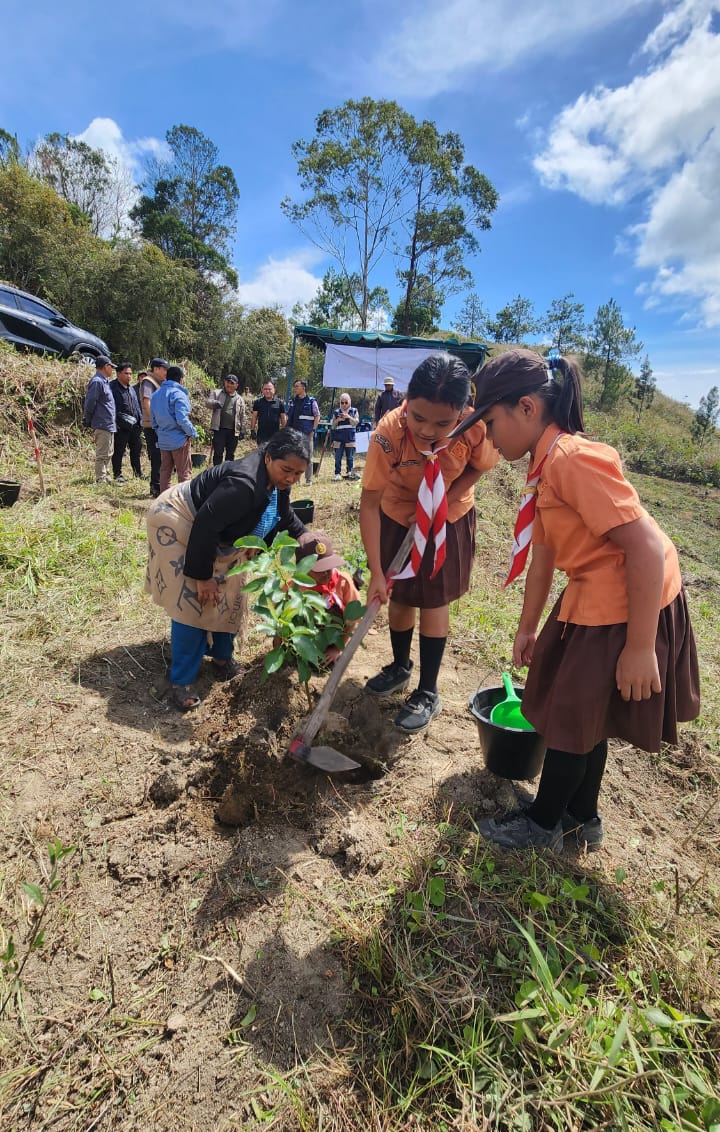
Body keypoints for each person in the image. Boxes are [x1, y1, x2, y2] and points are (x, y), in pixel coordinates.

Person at [450, 348, 700, 852]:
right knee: (586, 716)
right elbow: (543, 557)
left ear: (527, 408)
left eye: (491, 422)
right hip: (596, 594)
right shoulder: (545, 466)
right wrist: (527, 628)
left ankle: (543, 826)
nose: (488, 437)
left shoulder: (572, 458)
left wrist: (639, 647)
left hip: (629, 604)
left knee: (568, 717)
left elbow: (648, 549)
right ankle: (581, 816)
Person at [360, 354, 498, 733]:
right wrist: (375, 572)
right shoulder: (388, 434)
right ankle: (400, 666)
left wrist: (447, 498)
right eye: (418, 418)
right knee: (401, 593)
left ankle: (427, 690)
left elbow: (481, 466)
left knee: (434, 597)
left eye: (442, 423)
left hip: (448, 516)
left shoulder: (473, 428)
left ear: (461, 412)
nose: (427, 430)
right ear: (406, 400)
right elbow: (369, 503)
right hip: (396, 513)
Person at [145, 428, 312, 710]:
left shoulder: (277, 479)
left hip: (212, 528)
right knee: (192, 603)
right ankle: (181, 679)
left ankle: (222, 658)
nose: (291, 478)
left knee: (233, 593)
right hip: (179, 519)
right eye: (287, 470)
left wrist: (302, 534)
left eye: (298, 474)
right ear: (268, 458)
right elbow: (205, 524)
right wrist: (202, 576)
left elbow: (283, 511)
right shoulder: (243, 485)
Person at [296, 532, 362, 665]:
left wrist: (337, 649)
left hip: (335, 636)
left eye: (329, 567)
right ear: (303, 569)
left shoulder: (343, 582)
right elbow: (280, 615)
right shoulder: (296, 587)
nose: (326, 573)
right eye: (320, 570)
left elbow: (353, 620)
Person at [151, 365, 198, 493]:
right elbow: (182, 419)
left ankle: (164, 501)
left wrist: (161, 433)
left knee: (165, 472)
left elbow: (153, 421)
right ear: (180, 380)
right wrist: (193, 433)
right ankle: (184, 503)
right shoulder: (179, 395)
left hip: (163, 440)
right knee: (184, 474)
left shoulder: (155, 395)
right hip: (179, 441)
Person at [83, 355, 117, 484]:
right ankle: (100, 478)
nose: (112, 370)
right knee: (102, 453)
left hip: (109, 424)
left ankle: (106, 476)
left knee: (109, 453)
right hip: (102, 423)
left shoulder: (104, 381)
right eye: (111, 367)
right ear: (105, 366)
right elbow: (90, 402)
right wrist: (88, 418)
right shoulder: (97, 381)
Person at [140, 358, 168, 497]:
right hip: (152, 426)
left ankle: (159, 486)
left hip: (158, 425)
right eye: (164, 369)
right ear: (156, 369)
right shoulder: (148, 382)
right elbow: (147, 401)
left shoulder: (159, 383)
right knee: (157, 456)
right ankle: (155, 487)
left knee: (161, 456)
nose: (165, 373)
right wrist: (156, 420)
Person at [110, 362, 143, 482]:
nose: (129, 376)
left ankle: (138, 473)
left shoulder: (131, 388)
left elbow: (136, 406)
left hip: (135, 426)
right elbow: (110, 407)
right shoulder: (112, 387)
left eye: (130, 373)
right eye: (126, 373)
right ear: (118, 373)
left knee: (136, 449)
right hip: (121, 426)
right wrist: (117, 421)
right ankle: (117, 474)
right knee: (118, 451)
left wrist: (140, 420)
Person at [206, 373, 246, 465]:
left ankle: (227, 474)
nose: (229, 385)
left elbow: (242, 416)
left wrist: (243, 430)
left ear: (236, 385)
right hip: (219, 429)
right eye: (227, 382)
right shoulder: (217, 393)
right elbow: (207, 403)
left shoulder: (240, 399)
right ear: (224, 382)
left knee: (230, 455)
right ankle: (216, 474)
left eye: (232, 383)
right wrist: (214, 403)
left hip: (233, 431)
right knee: (218, 454)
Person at [286, 379, 319, 485]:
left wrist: (313, 430)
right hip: (295, 434)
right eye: (295, 386)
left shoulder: (312, 401)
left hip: (307, 433)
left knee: (308, 457)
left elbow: (317, 416)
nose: (295, 388)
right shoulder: (293, 401)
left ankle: (308, 480)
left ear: (303, 388)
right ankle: (297, 479)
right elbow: (289, 417)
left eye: (297, 386)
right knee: (296, 457)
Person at [331, 394, 360, 480]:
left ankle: (350, 472)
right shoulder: (336, 412)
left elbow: (356, 422)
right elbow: (333, 426)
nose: (344, 404)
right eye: (342, 402)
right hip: (338, 439)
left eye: (346, 402)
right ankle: (337, 474)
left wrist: (348, 417)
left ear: (349, 402)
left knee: (350, 457)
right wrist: (337, 420)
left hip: (350, 438)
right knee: (338, 457)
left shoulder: (354, 411)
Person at [251, 380, 287, 445]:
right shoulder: (258, 402)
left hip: (275, 436)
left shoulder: (280, 403)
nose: (267, 391)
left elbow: (283, 418)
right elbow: (254, 417)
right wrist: (252, 430)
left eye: (269, 389)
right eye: (265, 389)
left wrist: (284, 431)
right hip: (261, 435)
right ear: (262, 390)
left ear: (274, 390)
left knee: (274, 454)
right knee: (262, 454)